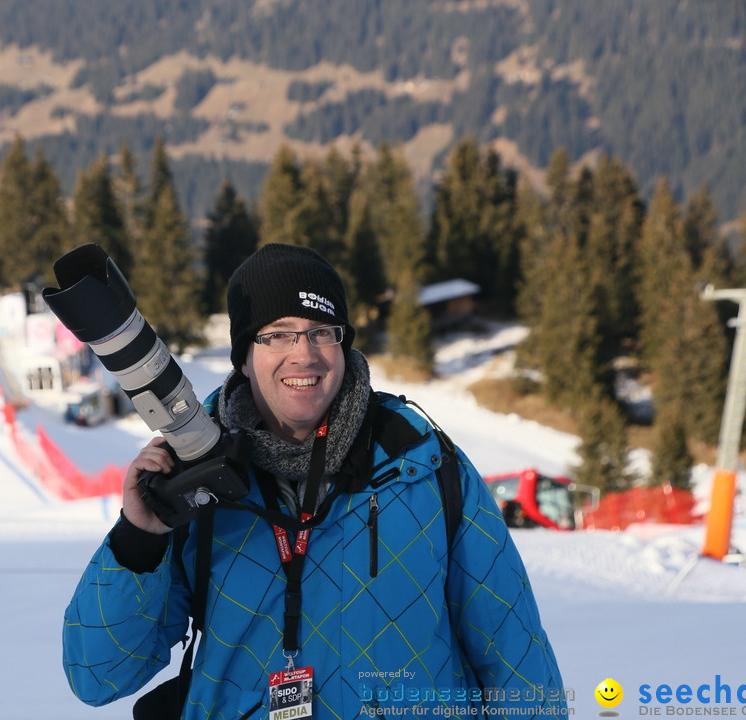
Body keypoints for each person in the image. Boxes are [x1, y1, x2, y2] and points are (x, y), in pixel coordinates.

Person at [62, 243, 565, 719]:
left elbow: (516, 663)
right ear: (243, 354)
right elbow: (98, 675)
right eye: (277, 333)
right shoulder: (192, 477)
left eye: (322, 331)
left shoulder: (425, 466)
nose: (304, 354)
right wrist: (138, 539)